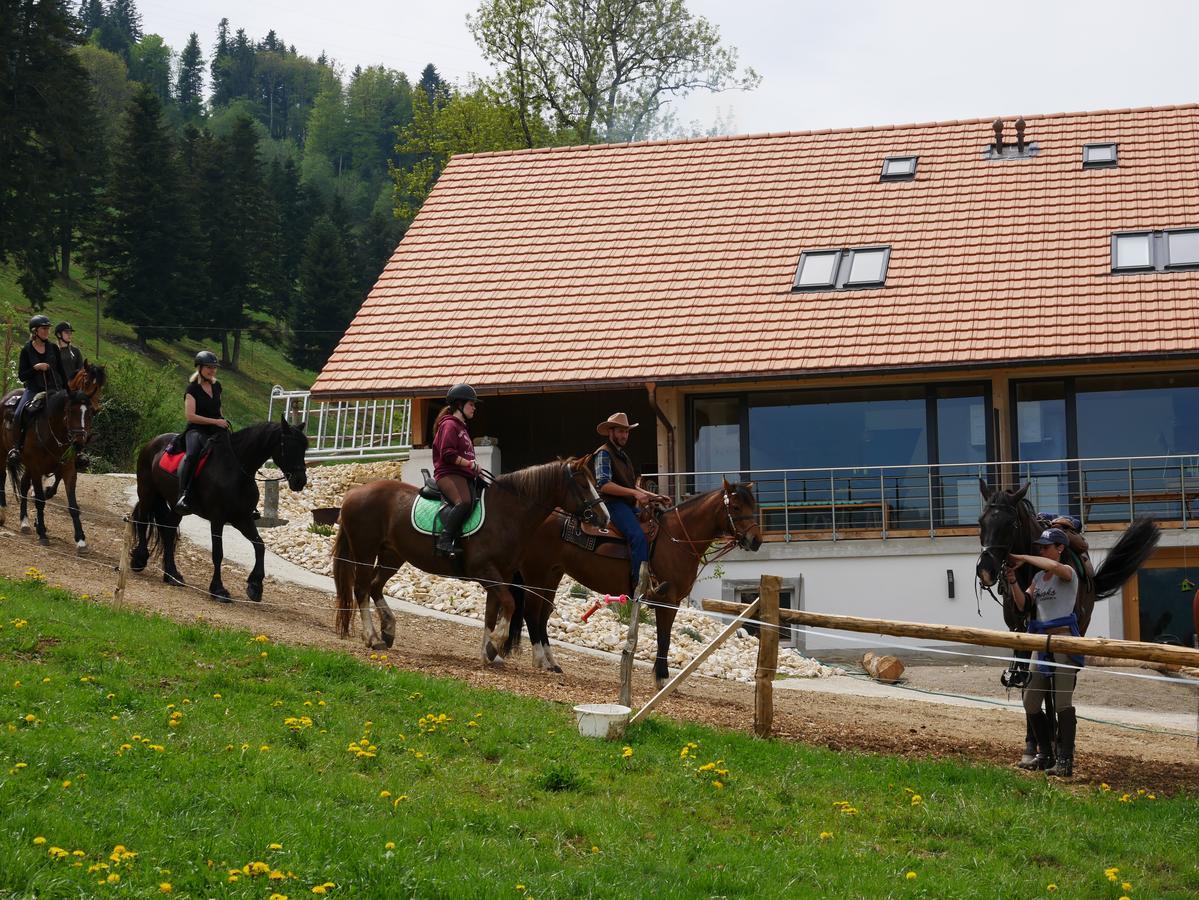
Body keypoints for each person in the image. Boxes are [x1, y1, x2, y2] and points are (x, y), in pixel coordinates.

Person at [1006, 527, 1081, 776]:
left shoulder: (1067, 572)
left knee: (1062, 703)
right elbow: (1023, 603)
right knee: (1030, 701)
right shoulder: (1038, 579)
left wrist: (1024, 558)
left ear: (1060, 549)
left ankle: (1065, 759)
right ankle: (1045, 753)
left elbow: (1054, 567)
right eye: (1040, 547)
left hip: (1063, 640)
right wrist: (1013, 582)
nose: (1041, 550)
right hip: (1042, 642)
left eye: (1046, 547)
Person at [591, 412, 672, 598]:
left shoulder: (622, 456)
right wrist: (636, 494)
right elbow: (604, 484)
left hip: (626, 504)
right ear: (610, 432)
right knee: (637, 536)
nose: (624, 436)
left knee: (656, 527)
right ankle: (639, 586)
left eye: (626, 432)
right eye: (620, 431)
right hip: (610, 505)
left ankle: (653, 575)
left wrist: (655, 496)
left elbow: (630, 485)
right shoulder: (603, 453)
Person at [176, 351, 229, 514]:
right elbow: (190, 416)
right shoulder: (192, 389)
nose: (212, 370)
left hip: (216, 429)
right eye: (208, 367)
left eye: (214, 367)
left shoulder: (217, 386)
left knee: (234, 452)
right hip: (196, 429)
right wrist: (215, 421)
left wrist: (222, 421)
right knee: (192, 455)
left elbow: (218, 409)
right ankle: (184, 494)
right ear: (199, 368)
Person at [431, 383, 482, 556]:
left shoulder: (463, 428)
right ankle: (444, 541)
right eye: (471, 404)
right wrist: (469, 464)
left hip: (462, 475)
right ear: (459, 405)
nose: (474, 407)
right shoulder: (450, 426)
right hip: (447, 474)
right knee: (464, 502)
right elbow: (447, 454)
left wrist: (475, 468)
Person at [9, 315, 66, 464]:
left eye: (48, 329)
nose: (47, 331)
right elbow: (22, 376)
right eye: (44, 329)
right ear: (35, 331)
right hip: (33, 390)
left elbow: (61, 370)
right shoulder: (26, 350)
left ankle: (75, 450)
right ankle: (16, 448)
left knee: (71, 411)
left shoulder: (53, 348)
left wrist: (68, 390)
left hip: (54, 389)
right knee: (18, 413)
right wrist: (35, 368)